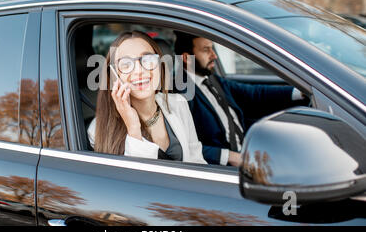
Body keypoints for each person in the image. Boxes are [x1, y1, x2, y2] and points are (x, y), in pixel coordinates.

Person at [174, 32, 308, 167]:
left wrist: (300, 92)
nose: (214, 55)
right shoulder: (179, 92)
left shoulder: (212, 80)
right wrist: (231, 157)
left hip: (246, 149)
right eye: (206, 50)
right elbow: (181, 145)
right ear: (187, 58)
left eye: (212, 48)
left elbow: (253, 93)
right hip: (223, 166)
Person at [87, 31, 207, 164]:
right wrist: (133, 128)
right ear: (114, 76)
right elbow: (130, 182)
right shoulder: (98, 129)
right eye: (126, 64)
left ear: (160, 66)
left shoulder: (179, 103)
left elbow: (197, 161)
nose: (139, 71)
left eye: (148, 59)